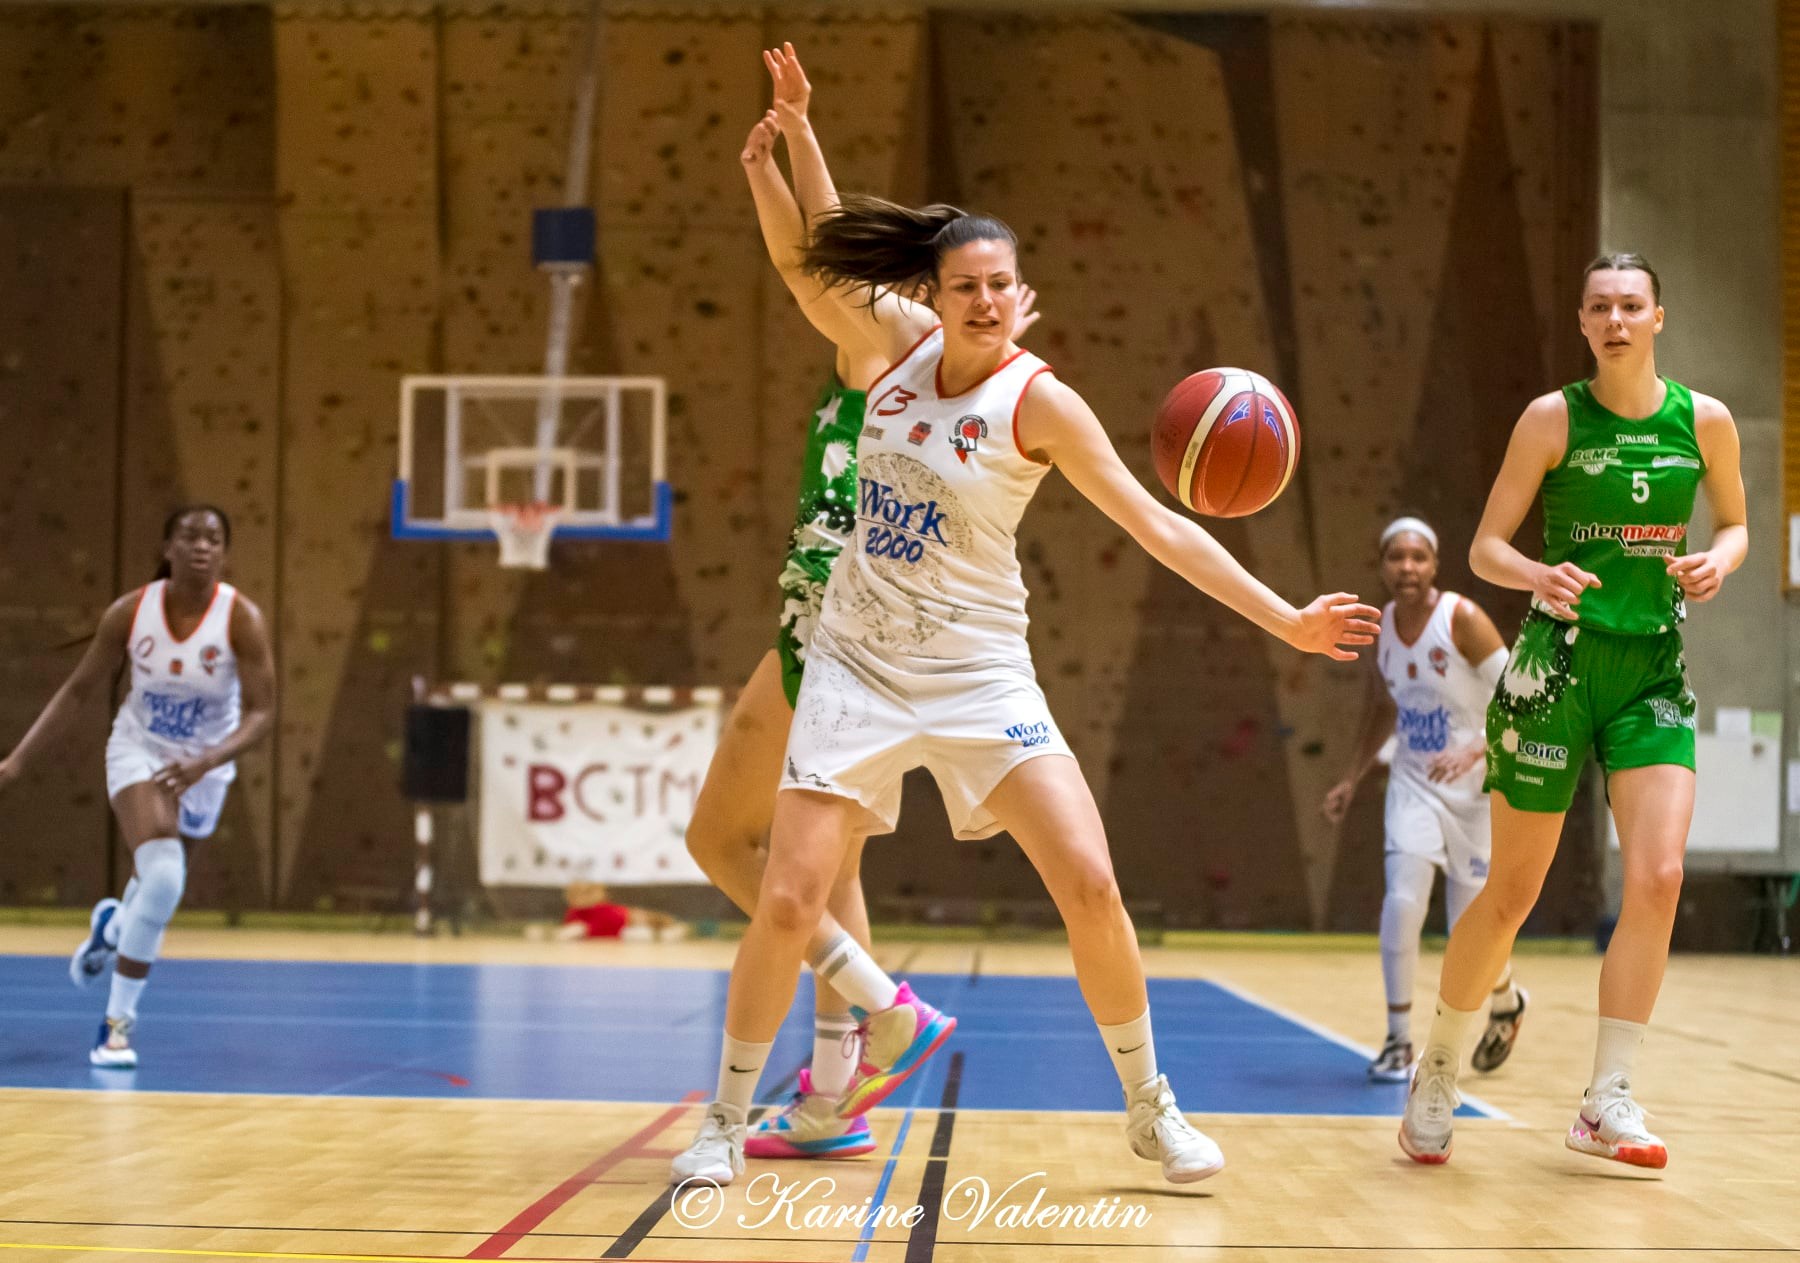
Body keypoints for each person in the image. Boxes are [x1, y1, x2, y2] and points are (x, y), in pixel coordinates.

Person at [670, 43, 1378, 1188]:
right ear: (934, 299)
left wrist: (1284, 616)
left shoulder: (1038, 401)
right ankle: (723, 1121)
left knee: (1090, 883)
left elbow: (1162, 527)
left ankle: (1152, 1108)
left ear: (1022, 291)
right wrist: (798, 133)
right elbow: (810, 267)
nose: (989, 300)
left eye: (1003, 283)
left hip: (978, 673)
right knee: (791, 895)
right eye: (967, 287)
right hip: (854, 661)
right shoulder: (889, 353)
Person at [684, 85, 1041, 1159]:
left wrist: (791, 146)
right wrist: (781, 152)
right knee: (828, 872)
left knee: (722, 841)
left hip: (842, 634)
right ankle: (835, 1096)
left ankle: (886, 1010)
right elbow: (827, 257)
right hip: (847, 629)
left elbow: (821, 265)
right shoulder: (910, 346)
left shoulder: (896, 353)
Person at [1399, 254, 1748, 1168]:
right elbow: (1483, 548)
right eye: (1600, 307)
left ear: (1659, 316)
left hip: (1651, 672)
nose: (1617, 319)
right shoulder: (1552, 417)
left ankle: (1607, 1097)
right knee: (1511, 893)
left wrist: (1723, 559)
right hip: (1555, 669)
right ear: (1585, 323)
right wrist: (1536, 572)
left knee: (1660, 877)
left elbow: (1738, 524)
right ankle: (1437, 1067)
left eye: (1632, 305)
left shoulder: (1705, 421)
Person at [0, 505, 277, 1068]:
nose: (202, 546)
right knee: (166, 876)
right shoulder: (130, 613)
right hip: (140, 750)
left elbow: (263, 712)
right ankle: (115, 1028)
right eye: (190, 536)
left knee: (157, 889)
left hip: (206, 765)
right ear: (168, 546)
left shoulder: (241, 619)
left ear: (224, 552)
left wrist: (208, 760)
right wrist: (17, 762)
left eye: (214, 538)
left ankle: (114, 923)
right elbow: (78, 692)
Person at [1323, 517, 1526, 1082]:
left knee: (1472, 932)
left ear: (1435, 565)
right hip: (1412, 783)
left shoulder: (1461, 619)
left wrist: (1478, 750)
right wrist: (1351, 778)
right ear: (1383, 565)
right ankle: (1396, 1040)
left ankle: (1506, 999)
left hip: (1476, 790)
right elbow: (1383, 710)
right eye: (1395, 557)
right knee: (1403, 902)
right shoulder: (1381, 627)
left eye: (1417, 557)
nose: (1406, 567)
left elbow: (1521, 694)